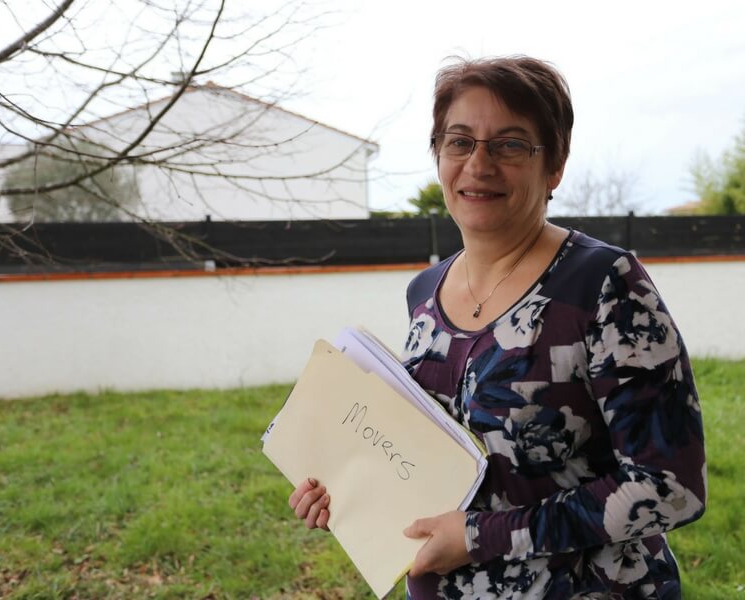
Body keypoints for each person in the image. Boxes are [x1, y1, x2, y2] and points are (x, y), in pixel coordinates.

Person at [289, 55, 706, 599]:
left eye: (509, 144)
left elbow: (671, 487)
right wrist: (346, 488)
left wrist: (480, 537)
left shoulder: (602, 284)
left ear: (553, 165)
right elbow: (429, 455)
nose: (478, 164)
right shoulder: (424, 293)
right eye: (459, 141)